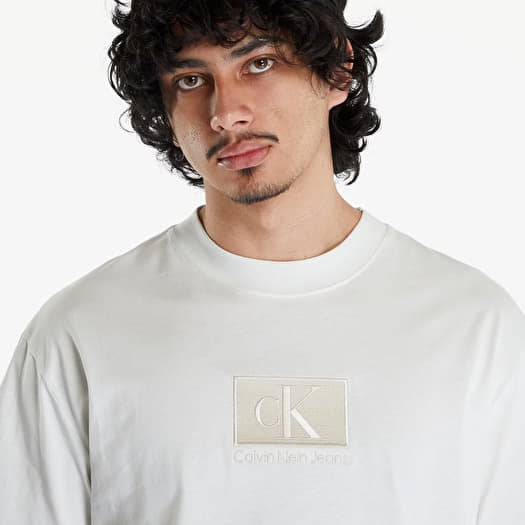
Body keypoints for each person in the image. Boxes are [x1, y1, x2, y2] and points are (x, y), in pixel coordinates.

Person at [1, 0, 523, 523]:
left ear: (338, 70)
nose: (226, 113)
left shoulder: (474, 328)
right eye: (190, 79)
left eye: (259, 63)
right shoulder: (82, 334)